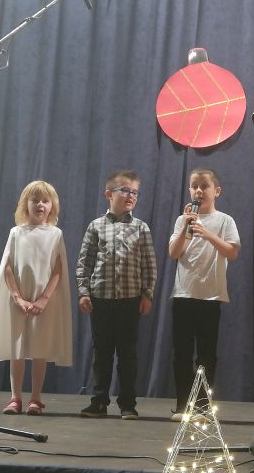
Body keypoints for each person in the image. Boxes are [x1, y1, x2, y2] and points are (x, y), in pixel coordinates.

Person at [0, 180, 72, 416]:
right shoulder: (16, 233)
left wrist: (44, 298)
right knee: (18, 349)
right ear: (26, 204)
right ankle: (15, 398)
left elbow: (58, 269)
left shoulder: (55, 234)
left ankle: (35, 398)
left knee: (40, 349)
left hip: (44, 301)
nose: (40, 205)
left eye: (45, 201)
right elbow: (8, 266)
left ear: (52, 206)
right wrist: (17, 297)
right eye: (35, 200)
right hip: (19, 299)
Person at [76, 169, 157, 420]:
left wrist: (147, 294)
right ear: (109, 194)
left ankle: (128, 404)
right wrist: (83, 292)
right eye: (125, 190)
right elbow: (85, 262)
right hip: (101, 298)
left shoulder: (141, 228)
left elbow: (149, 265)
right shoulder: (96, 226)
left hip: (130, 300)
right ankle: (99, 401)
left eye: (135, 192)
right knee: (102, 353)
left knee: (127, 354)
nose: (131, 196)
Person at [168, 167, 240, 421]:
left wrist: (207, 234)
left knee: (206, 355)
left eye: (204, 186)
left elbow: (232, 252)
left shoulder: (225, 220)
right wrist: (186, 228)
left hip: (211, 297)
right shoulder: (183, 220)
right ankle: (182, 406)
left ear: (216, 191)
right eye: (194, 186)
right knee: (181, 353)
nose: (199, 191)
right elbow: (174, 253)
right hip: (183, 295)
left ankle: (202, 407)